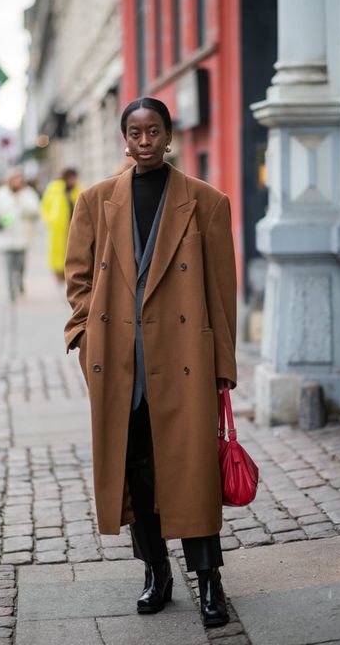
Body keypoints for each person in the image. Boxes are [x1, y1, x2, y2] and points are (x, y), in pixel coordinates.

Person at [64, 98, 237, 628]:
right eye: (135, 132)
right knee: (135, 470)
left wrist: (223, 365)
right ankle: (156, 572)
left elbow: (221, 290)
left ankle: (210, 582)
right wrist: (82, 332)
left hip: (183, 358)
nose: (144, 141)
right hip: (121, 362)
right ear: (125, 137)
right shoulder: (95, 201)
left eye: (153, 131)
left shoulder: (206, 202)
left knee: (192, 470)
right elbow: (78, 278)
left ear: (168, 136)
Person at [0, 170, 39, 302]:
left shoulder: (27, 193)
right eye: (14, 180)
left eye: (19, 179)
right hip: (7, 237)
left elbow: (35, 209)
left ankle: (20, 283)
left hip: (23, 236)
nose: (17, 182)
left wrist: (21, 203)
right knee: (9, 266)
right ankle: (11, 291)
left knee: (21, 265)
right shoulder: (1, 194)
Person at [41, 167, 82, 282]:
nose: (73, 181)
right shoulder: (55, 188)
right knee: (58, 251)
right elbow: (45, 205)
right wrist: (50, 220)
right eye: (71, 178)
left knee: (72, 250)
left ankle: (70, 271)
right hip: (58, 226)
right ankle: (59, 273)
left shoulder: (78, 190)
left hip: (73, 226)